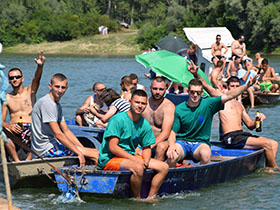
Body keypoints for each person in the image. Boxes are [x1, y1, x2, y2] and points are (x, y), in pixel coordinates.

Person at [166, 61, 258, 167]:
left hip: (200, 144)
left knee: (205, 154)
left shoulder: (208, 104)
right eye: (192, 92)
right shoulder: (179, 109)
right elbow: (173, 132)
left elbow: (229, 96)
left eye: (198, 92)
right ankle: (171, 179)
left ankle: (201, 180)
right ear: (188, 92)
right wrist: (172, 146)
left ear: (201, 93)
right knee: (172, 155)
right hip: (183, 143)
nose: (195, 95)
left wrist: (247, 85)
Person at [97, 89, 169, 199]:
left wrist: (146, 160)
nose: (140, 106)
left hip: (129, 156)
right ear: (130, 102)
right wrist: (135, 160)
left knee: (163, 167)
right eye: (137, 102)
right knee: (138, 167)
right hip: (110, 158)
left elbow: (146, 147)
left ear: (146, 105)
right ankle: (137, 198)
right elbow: (113, 147)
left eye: (143, 103)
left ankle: (151, 197)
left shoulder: (144, 123)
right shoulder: (118, 119)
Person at [203, 76, 279, 169]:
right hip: (230, 137)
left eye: (237, 86)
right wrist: (196, 74)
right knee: (268, 144)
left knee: (274, 144)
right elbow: (207, 87)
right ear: (227, 87)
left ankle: (269, 169)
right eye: (232, 86)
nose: (235, 89)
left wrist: (258, 120)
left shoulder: (240, 105)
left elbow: (250, 125)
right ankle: (275, 169)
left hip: (241, 135)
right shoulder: (222, 100)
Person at [31, 73, 98, 166]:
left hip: (53, 145)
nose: (60, 90)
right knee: (95, 155)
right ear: (50, 86)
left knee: (93, 152)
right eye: (57, 87)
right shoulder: (47, 103)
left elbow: (66, 130)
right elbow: (58, 134)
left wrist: (81, 149)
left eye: (63, 87)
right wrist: (79, 152)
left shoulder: (57, 105)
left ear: (66, 88)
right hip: (45, 150)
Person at [3, 51, 45, 162]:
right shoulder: (6, 97)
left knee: (36, 133)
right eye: (12, 78)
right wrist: (9, 126)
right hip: (14, 128)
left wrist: (40, 66)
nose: (14, 79)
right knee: (3, 135)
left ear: (22, 78)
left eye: (17, 77)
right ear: (9, 81)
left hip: (30, 127)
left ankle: (29, 159)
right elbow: (1, 121)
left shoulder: (30, 91)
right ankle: (16, 161)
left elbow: (37, 79)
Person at [140, 77, 175, 161]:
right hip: (143, 140)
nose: (157, 92)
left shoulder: (168, 106)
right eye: (155, 89)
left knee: (161, 147)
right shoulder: (144, 103)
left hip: (160, 141)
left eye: (161, 89)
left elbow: (165, 133)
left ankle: (154, 170)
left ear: (166, 89)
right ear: (150, 88)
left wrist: (150, 146)